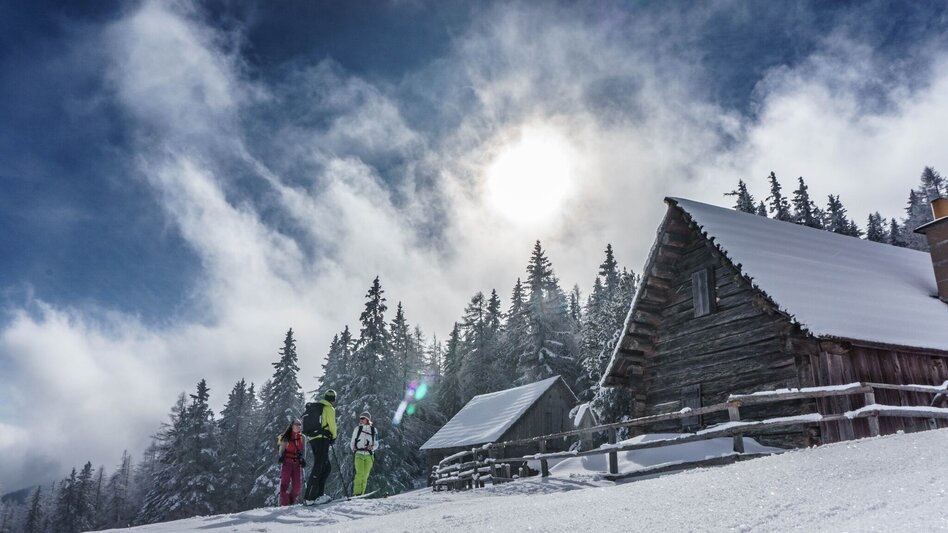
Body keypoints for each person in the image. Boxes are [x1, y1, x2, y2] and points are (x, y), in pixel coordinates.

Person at [303, 389, 337, 505]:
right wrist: (334, 437)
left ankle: (318, 495)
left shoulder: (318, 406)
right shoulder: (329, 408)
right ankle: (310, 498)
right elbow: (332, 425)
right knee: (319, 466)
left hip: (313, 439)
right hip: (322, 438)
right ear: (333, 399)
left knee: (326, 467)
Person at [277, 419, 307, 506]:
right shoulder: (286, 436)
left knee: (297, 487)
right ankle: (284, 504)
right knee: (284, 484)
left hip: (297, 464)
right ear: (292, 425)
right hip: (287, 462)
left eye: (300, 424)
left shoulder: (303, 437)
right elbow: (282, 449)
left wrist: (303, 459)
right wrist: (281, 457)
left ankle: (291, 502)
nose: (298, 426)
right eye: (296, 424)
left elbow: (304, 450)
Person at [350, 411, 378, 497]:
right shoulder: (357, 429)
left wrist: (372, 447)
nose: (361, 420)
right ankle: (357, 493)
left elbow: (376, 443)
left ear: (368, 419)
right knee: (360, 474)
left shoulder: (374, 430)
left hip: (369, 455)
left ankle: (361, 494)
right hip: (359, 454)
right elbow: (352, 441)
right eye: (360, 418)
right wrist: (353, 448)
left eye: (363, 418)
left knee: (365, 476)